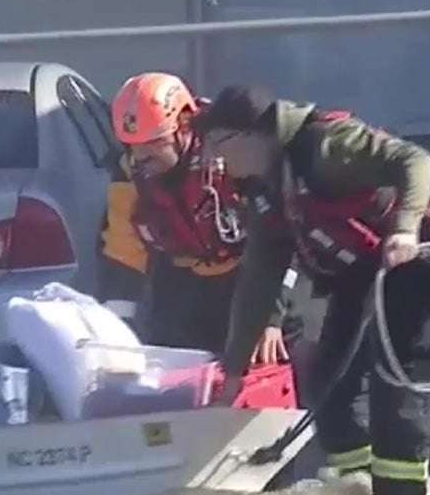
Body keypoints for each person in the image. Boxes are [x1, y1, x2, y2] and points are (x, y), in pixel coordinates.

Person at [192, 84, 430, 495]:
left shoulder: (326, 146)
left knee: (396, 402)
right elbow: (258, 282)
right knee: (330, 389)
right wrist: (233, 375)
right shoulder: (267, 188)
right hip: (361, 272)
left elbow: (415, 161)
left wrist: (404, 227)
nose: (216, 160)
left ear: (251, 134)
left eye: (218, 144)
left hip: (422, 261)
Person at [99, 71, 322, 369]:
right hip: (184, 276)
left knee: (277, 360)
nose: (140, 160)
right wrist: (118, 335)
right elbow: (122, 256)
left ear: (182, 127)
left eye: (152, 148)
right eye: (132, 148)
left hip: (255, 271)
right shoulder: (131, 173)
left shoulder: (234, 152)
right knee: (173, 372)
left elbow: (284, 235)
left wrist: (270, 318)